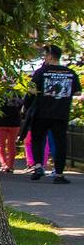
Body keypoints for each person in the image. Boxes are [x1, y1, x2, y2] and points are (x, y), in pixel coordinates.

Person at [28, 45, 80, 183]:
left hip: (42, 112)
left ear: (50, 56)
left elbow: (31, 89)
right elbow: (77, 92)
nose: (44, 57)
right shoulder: (70, 73)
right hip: (60, 113)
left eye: (45, 55)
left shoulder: (41, 72)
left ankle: (38, 166)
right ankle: (59, 174)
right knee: (60, 143)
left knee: (38, 140)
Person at [0, 87, 27, 173]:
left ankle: (4, 165)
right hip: (15, 122)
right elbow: (21, 105)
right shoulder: (18, 93)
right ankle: (11, 165)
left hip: (1, 121)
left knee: (1, 145)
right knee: (11, 144)